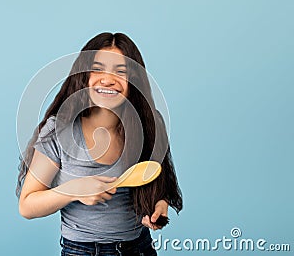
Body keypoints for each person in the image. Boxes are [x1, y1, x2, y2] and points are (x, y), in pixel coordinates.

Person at [16, 32, 183, 256]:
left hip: (139, 248)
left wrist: (157, 207)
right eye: (98, 69)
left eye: (121, 72)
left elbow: (156, 184)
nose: (107, 79)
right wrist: (74, 190)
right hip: (82, 251)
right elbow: (27, 205)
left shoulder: (149, 125)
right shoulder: (60, 130)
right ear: (84, 75)